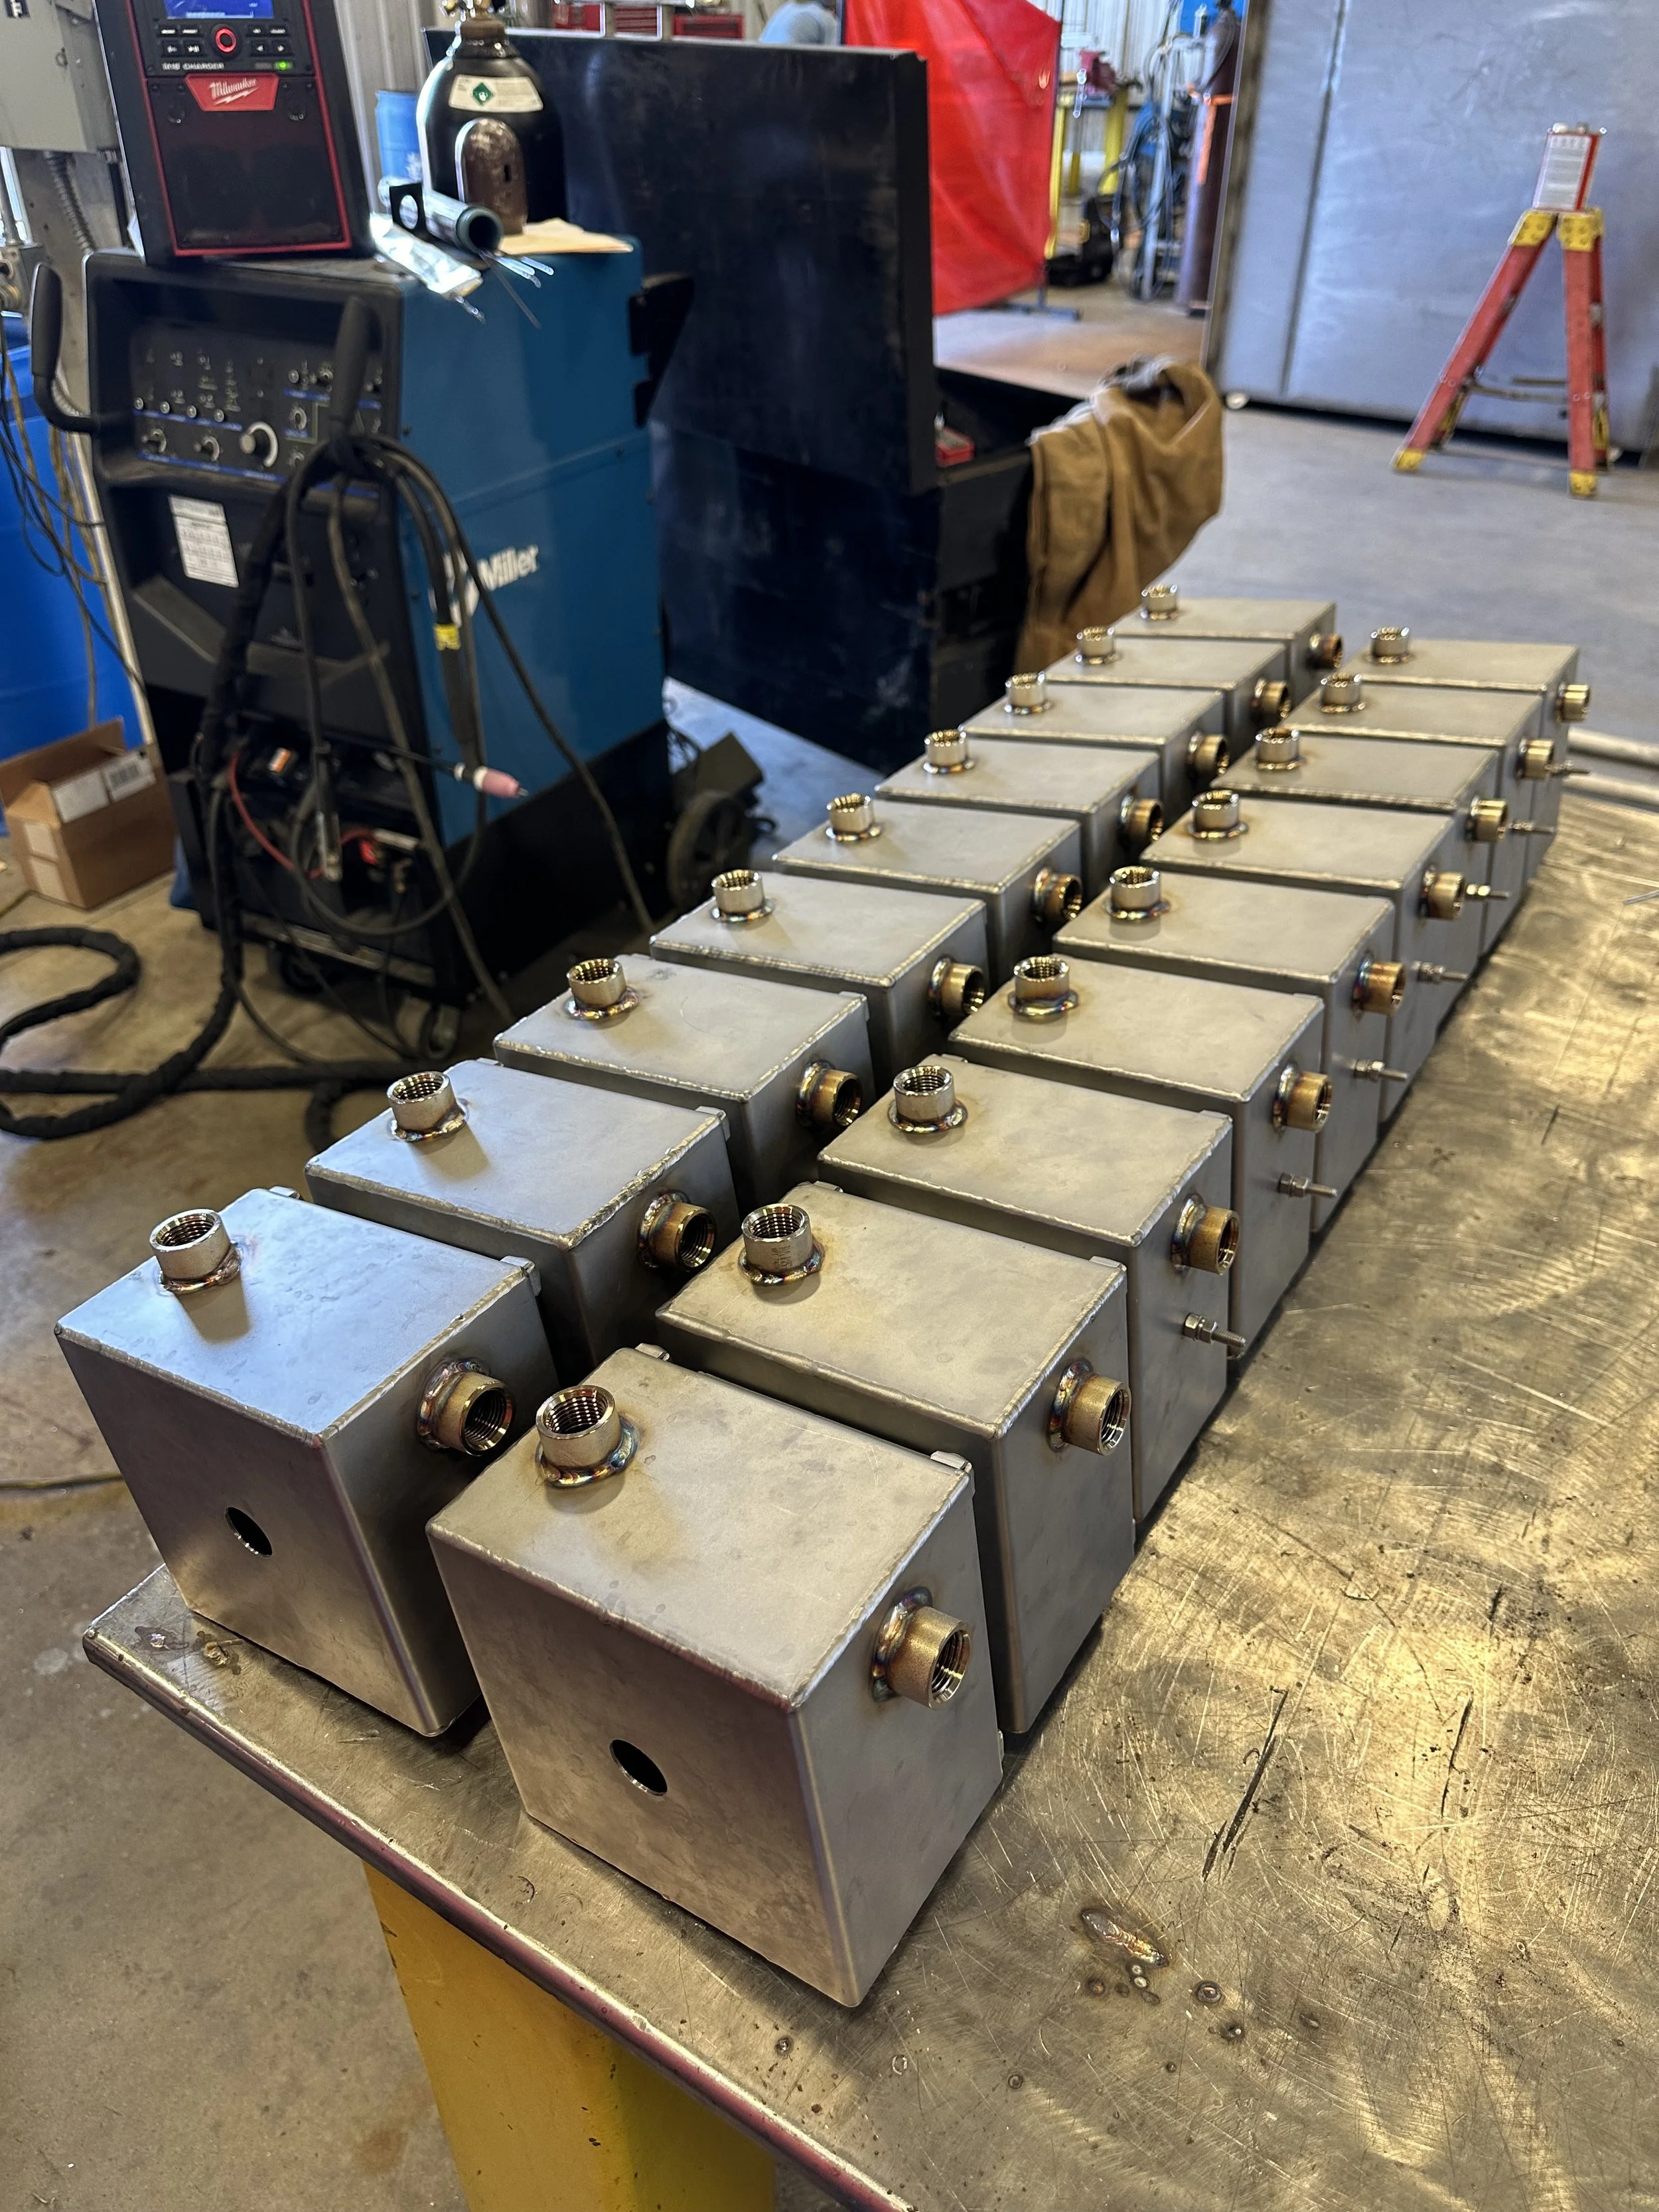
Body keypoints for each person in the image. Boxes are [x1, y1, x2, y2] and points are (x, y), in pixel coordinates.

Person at [758, 0, 839, 44]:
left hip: (763, 72)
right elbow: (839, 63)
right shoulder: (824, 19)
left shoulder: (784, 9)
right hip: (791, 73)